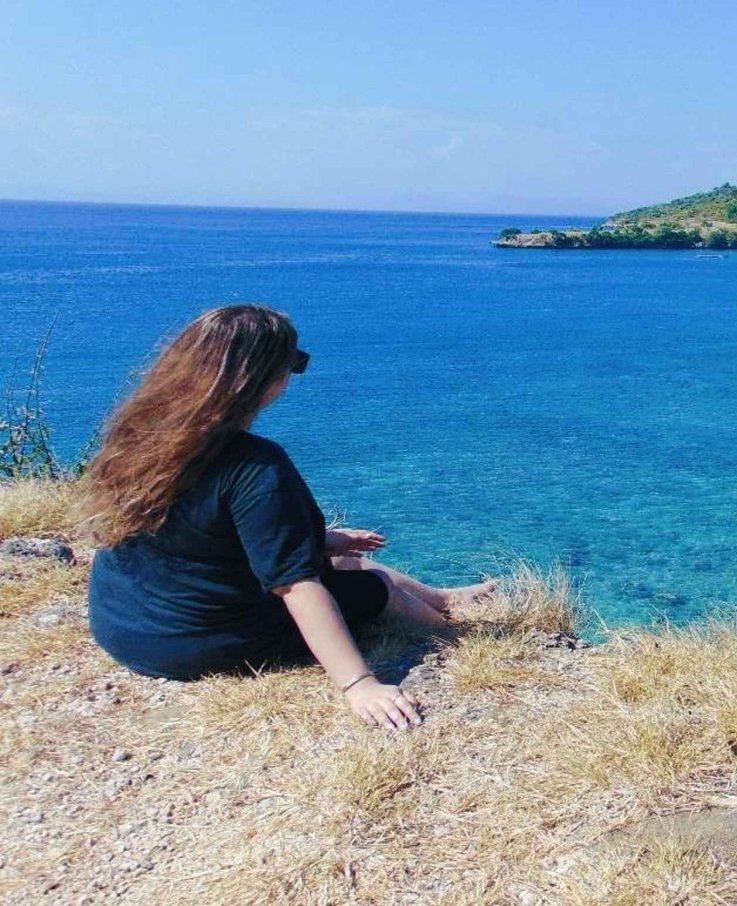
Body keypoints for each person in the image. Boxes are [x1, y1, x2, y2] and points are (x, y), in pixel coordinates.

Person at [80, 304, 492, 730]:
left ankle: (443, 598)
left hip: (123, 628)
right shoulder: (254, 467)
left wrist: (324, 540)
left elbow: (201, 534)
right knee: (375, 586)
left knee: (346, 559)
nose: (294, 373)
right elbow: (296, 586)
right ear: (265, 378)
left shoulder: (140, 434)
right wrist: (360, 684)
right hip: (196, 643)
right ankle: (451, 631)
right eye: (294, 363)